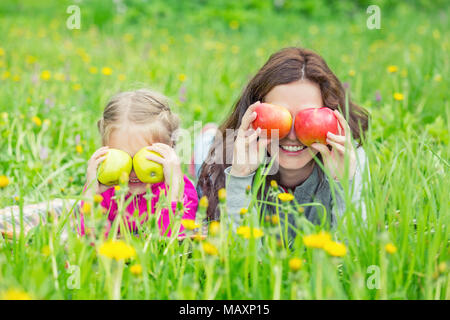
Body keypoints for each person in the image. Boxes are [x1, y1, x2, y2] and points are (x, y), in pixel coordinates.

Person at [196, 47, 370, 240]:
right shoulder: (225, 161)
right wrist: (240, 176)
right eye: (279, 116)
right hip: (215, 152)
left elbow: (354, 250)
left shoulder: (349, 159)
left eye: (309, 117)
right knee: (207, 147)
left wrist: (343, 184)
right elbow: (239, 255)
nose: (292, 136)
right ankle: (208, 135)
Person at [79, 88, 198, 237]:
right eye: (124, 158)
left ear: (169, 151)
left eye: (145, 157)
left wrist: (174, 194)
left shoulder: (180, 188)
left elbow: (174, 241)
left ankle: (206, 142)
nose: (133, 171)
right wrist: (91, 195)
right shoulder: (105, 190)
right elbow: (91, 240)